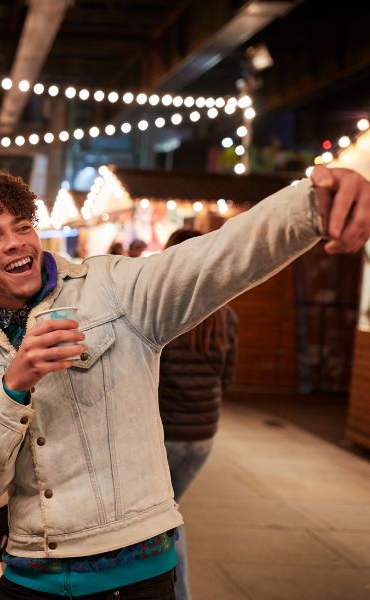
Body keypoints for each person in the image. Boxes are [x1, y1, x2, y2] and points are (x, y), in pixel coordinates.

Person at [0, 166, 370, 600]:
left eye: (22, 226)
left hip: (133, 576)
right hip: (28, 575)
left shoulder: (113, 287)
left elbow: (219, 256)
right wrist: (13, 386)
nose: (15, 243)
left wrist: (312, 204)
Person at [157, 229, 238, 600]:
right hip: (203, 435)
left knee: (168, 518)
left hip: (169, 433)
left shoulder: (166, 315)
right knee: (170, 510)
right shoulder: (225, 313)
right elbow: (228, 375)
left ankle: (180, 594)